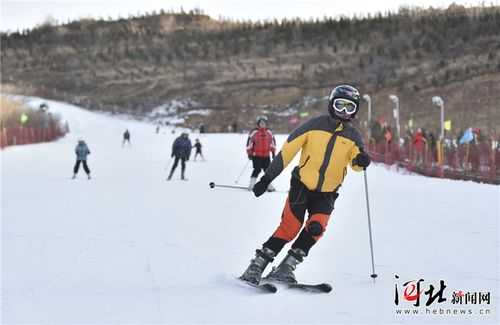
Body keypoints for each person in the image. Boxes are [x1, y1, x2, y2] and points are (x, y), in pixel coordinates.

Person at [239, 84, 371, 285]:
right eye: (340, 105)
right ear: (331, 105)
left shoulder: (354, 137)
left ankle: (286, 267)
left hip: (327, 193)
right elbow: (286, 153)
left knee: (316, 229)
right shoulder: (313, 126)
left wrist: (361, 161)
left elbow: (356, 164)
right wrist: (266, 179)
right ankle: (256, 265)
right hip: (302, 185)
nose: (344, 112)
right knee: (289, 227)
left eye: (349, 107)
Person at [246, 116, 276, 191]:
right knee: (257, 169)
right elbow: (249, 143)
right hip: (256, 155)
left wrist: (273, 152)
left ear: (266, 124)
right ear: (258, 124)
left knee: (267, 171)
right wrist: (249, 153)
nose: (262, 124)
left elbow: (272, 143)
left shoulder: (269, 132)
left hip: (266, 155)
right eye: (261, 123)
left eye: (264, 123)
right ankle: (251, 184)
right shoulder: (254, 132)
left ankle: (268, 185)